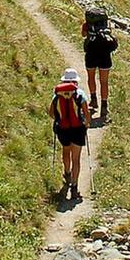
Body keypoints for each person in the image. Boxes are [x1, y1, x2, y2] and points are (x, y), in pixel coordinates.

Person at [49, 68, 90, 202]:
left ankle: (67, 173)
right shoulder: (79, 94)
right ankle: (74, 187)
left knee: (66, 151)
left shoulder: (57, 95)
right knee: (76, 158)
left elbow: (51, 113)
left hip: (63, 129)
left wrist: (59, 120)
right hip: (78, 129)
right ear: (75, 82)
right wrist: (87, 123)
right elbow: (86, 111)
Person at [82, 9, 118, 119]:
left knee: (91, 77)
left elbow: (83, 35)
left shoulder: (87, 25)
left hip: (91, 54)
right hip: (105, 55)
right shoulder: (106, 24)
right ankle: (104, 106)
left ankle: (93, 100)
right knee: (104, 82)